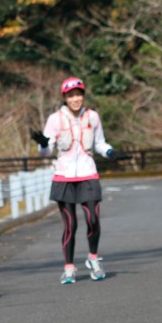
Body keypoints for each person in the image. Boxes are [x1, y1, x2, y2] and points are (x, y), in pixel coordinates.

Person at [31, 77, 125, 284]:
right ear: (64, 97)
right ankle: (69, 267)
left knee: (93, 219)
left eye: (78, 94)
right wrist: (43, 144)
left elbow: (100, 143)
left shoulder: (93, 117)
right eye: (71, 95)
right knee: (70, 225)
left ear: (83, 95)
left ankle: (93, 258)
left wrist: (110, 152)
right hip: (64, 177)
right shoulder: (55, 119)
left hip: (88, 173)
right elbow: (46, 152)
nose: (75, 99)